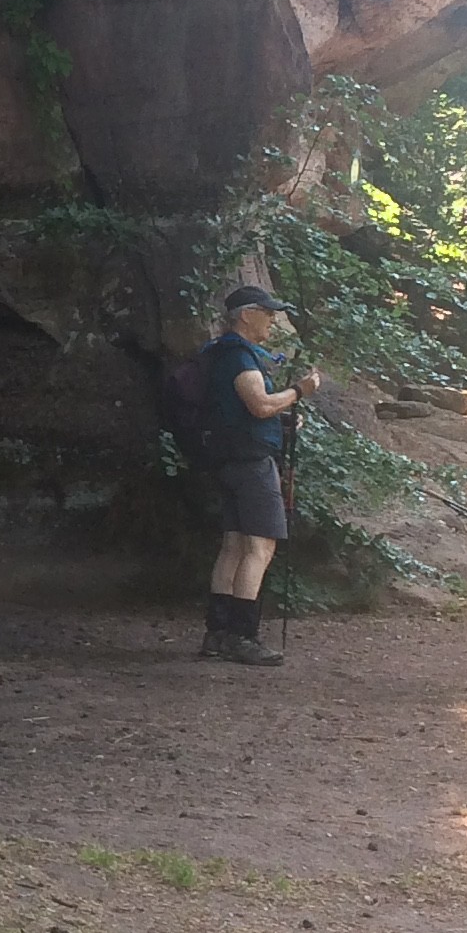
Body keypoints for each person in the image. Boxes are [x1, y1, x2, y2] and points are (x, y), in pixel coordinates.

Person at [191, 283, 321, 666]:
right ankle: (241, 636)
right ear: (246, 315)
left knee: (233, 545)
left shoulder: (220, 355)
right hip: (251, 464)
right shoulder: (240, 357)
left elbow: (243, 410)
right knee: (260, 548)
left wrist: (279, 422)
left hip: (227, 460)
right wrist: (300, 390)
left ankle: (217, 633)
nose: (272, 320)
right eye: (267, 313)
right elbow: (260, 404)